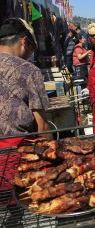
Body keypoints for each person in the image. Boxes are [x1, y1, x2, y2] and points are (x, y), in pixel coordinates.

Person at [0, 18, 51, 189]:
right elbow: (41, 126)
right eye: (30, 48)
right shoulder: (29, 70)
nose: (30, 54)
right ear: (24, 41)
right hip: (13, 158)